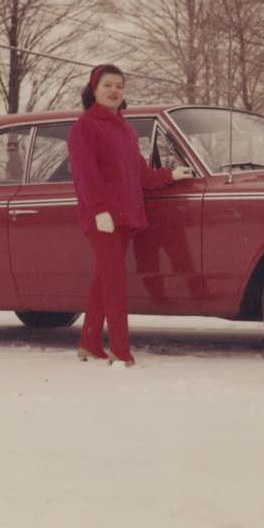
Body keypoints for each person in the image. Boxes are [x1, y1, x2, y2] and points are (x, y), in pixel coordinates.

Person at [67, 64, 194, 367]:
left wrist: (170, 175)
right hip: (103, 218)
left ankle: (89, 343)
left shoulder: (125, 128)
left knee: (104, 280)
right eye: (108, 85)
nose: (114, 91)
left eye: (119, 86)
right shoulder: (84, 126)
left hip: (124, 216)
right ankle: (120, 351)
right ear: (94, 89)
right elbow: (85, 174)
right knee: (114, 283)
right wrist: (98, 211)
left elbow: (141, 175)